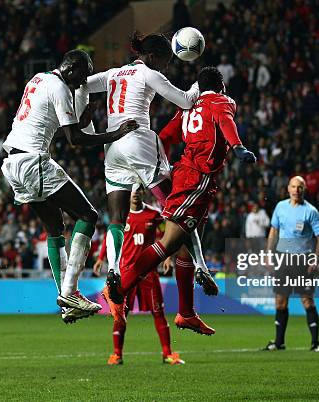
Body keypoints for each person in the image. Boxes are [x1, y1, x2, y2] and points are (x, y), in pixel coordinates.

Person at [103, 67, 256, 335]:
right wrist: (238, 147)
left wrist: (167, 164)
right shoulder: (221, 101)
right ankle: (119, 288)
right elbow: (225, 120)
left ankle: (186, 312)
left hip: (188, 175)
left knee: (185, 242)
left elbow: (165, 136)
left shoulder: (188, 108)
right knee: (169, 242)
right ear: (221, 86)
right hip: (196, 178)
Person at [1, 49, 139, 324]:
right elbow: (75, 139)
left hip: (12, 164)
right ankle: (71, 293)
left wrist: (84, 111)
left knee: (55, 229)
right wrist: (116, 133)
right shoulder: (60, 87)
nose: (82, 82)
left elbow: (74, 120)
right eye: (82, 76)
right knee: (89, 216)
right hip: (33, 161)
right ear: (72, 68)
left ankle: (66, 303)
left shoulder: (38, 79)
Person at [84, 32, 216, 313]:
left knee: (116, 219)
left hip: (113, 147)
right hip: (140, 142)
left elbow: (82, 85)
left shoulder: (114, 73)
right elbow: (185, 101)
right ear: (153, 57)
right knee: (179, 208)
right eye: (165, 62)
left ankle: (113, 270)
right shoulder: (148, 73)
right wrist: (200, 84)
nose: (166, 67)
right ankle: (202, 266)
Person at [94, 188, 183, 365]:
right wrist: (101, 257)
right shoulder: (121, 214)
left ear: (143, 192)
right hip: (125, 273)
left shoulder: (155, 214)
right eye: (132, 190)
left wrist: (167, 257)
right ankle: (117, 354)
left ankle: (167, 354)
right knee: (120, 314)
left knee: (158, 312)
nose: (135, 193)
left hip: (149, 273)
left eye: (139, 189)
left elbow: (167, 234)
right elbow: (109, 237)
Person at [262, 176, 319, 352]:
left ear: (304, 190)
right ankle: (279, 342)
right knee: (280, 302)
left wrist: (316, 258)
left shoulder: (311, 211)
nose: (296, 190)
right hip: (283, 259)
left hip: (302, 260)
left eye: (300, 187)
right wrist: (268, 252)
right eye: (293, 186)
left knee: (307, 300)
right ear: (288, 188)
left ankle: (315, 343)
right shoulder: (280, 207)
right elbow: (274, 230)